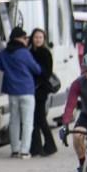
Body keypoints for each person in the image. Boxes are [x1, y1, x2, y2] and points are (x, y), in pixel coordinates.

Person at [0, 26, 42, 158]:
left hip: (12, 91)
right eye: (25, 38)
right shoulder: (24, 53)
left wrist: (7, 69)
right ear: (19, 38)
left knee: (14, 121)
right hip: (27, 90)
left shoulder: (5, 53)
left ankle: (15, 150)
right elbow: (37, 69)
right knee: (27, 122)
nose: (26, 40)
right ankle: (24, 151)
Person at [28, 28, 58, 157]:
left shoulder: (46, 53)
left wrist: (37, 79)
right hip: (30, 89)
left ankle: (49, 146)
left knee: (40, 118)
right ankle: (36, 147)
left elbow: (47, 73)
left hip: (41, 90)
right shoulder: (29, 52)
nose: (38, 40)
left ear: (44, 39)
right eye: (36, 37)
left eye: (40, 37)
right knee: (34, 120)